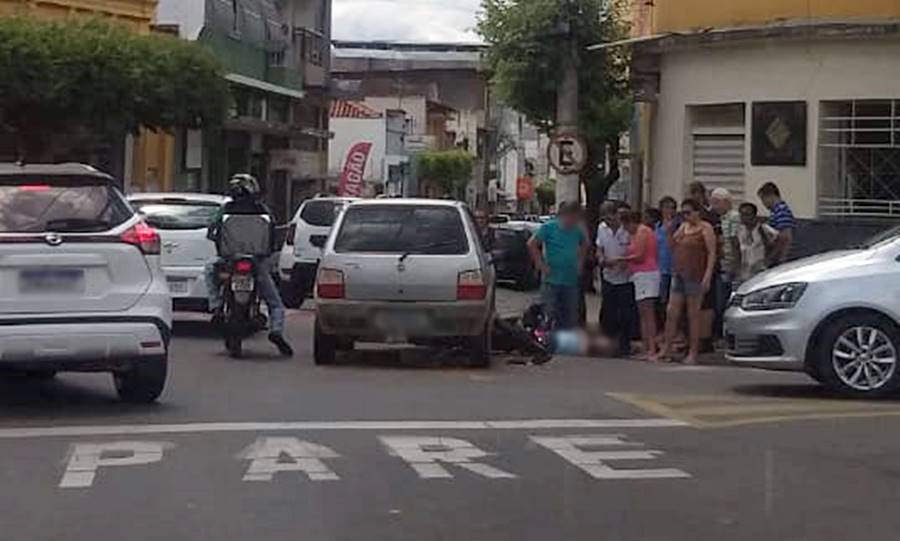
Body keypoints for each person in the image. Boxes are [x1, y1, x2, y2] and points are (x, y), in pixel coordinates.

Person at [206, 174, 294, 357]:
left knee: (208, 270)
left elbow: (211, 230)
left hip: (230, 260)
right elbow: (272, 235)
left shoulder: (225, 209)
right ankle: (276, 330)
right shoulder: (263, 210)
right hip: (256, 262)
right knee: (275, 303)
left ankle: (215, 306)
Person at [660, 199, 717, 365]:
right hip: (679, 272)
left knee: (693, 315)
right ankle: (667, 348)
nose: (686, 216)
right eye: (683, 213)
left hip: (696, 274)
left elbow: (712, 253)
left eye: (688, 213)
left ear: (697, 212)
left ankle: (693, 352)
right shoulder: (683, 227)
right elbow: (673, 246)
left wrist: (707, 276)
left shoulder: (705, 229)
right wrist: (670, 232)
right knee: (672, 312)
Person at [527, 201, 588, 329]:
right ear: (566, 215)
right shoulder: (549, 227)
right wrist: (540, 263)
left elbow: (585, 244)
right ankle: (548, 342)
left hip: (570, 280)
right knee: (549, 314)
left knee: (570, 316)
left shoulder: (577, 230)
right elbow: (532, 244)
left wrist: (580, 263)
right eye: (574, 218)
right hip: (551, 279)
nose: (575, 221)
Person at [610, 211, 660, 361]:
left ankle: (651, 348)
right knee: (642, 314)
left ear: (630, 222)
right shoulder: (636, 233)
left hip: (647, 274)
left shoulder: (643, 232)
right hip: (639, 275)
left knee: (648, 313)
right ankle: (647, 347)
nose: (626, 230)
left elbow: (640, 256)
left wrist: (619, 259)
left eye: (626, 226)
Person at [596, 201, 636, 356]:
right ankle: (607, 343)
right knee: (608, 312)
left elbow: (634, 249)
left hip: (626, 276)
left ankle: (624, 344)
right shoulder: (602, 228)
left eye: (610, 218)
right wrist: (601, 259)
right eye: (605, 218)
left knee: (625, 313)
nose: (608, 222)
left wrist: (623, 262)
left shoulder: (627, 230)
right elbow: (599, 248)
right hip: (608, 275)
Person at [710, 187, 740, 342]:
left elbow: (735, 242)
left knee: (724, 302)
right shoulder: (719, 219)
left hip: (729, 265)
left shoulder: (733, 217)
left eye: (715, 202)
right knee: (719, 302)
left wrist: (734, 265)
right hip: (721, 264)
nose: (713, 206)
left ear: (726, 202)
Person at [735, 202, 778, 286]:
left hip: (760, 270)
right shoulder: (739, 230)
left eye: (747, 214)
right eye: (742, 215)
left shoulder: (763, 229)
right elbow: (736, 249)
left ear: (754, 215)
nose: (744, 218)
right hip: (745, 272)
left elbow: (778, 242)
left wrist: (769, 260)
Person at [757, 181, 796, 266]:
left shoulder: (781, 211)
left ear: (770, 196)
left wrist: (774, 257)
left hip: (781, 258)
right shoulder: (775, 212)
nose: (763, 204)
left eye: (763, 199)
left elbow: (785, 237)